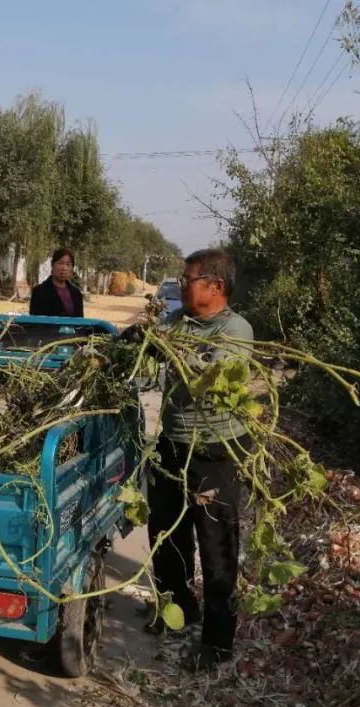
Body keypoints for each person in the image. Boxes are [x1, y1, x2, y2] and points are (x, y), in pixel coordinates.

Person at [126, 249, 253, 672]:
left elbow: (210, 382)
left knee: (217, 549)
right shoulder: (178, 322)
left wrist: (169, 350)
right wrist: (139, 343)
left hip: (214, 452)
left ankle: (217, 643)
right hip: (172, 443)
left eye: (189, 279)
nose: (182, 285)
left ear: (215, 286)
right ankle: (178, 607)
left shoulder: (236, 329)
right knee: (166, 530)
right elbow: (150, 359)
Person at [29, 248, 84, 317]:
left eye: (68, 264)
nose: (64, 268)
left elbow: (80, 322)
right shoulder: (39, 291)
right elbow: (35, 322)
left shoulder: (76, 293)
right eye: (60, 263)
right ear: (52, 264)